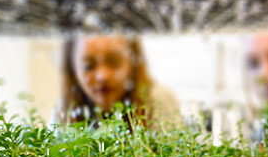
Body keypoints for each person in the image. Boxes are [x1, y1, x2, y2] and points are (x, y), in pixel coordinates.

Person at [51, 34, 179, 128]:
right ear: (72, 70)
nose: (102, 76)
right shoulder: (65, 110)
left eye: (114, 62)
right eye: (88, 66)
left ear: (133, 62)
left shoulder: (157, 99)